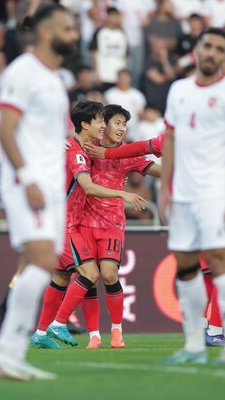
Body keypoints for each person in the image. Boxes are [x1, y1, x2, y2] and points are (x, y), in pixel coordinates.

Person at [0, 3, 79, 381]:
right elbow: (5, 130)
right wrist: (26, 178)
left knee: (43, 263)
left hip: (50, 184)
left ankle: (9, 351)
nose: (73, 35)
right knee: (41, 261)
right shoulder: (22, 71)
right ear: (44, 31)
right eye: (66, 28)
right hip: (27, 182)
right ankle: (8, 349)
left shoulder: (56, 78)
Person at [158, 28, 225, 366]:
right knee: (185, 265)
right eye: (207, 46)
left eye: (220, 49)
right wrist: (164, 188)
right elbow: (170, 140)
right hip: (182, 193)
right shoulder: (178, 90)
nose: (212, 53)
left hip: (217, 192)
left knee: (218, 259)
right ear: (197, 50)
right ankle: (195, 345)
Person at [30, 101, 146, 350]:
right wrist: (122, 195)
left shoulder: (80, 147)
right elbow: (89, 187)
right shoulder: (76, 152)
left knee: (61, 277)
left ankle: (40, 332)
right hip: (67, 225)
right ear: (85, 124)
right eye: (99, 120)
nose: (103, 125)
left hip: (63, 222)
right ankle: (59, 323)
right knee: (91, 274)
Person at [78, 104, 160, 349]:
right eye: (117, 123)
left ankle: (116, 331)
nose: (121, 128)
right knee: (89, 280)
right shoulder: (87, 147)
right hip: (84, 222)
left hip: (112, 224)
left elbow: (160, 171)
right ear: (103, 124)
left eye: (124, 124)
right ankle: (94, 334)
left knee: (109, 274)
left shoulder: (128, 154)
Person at [89, 7, 128, 90]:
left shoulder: (122, 34)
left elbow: (125, 56)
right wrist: (96, 72)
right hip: (103, 75)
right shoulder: (100, 32)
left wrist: (124, 75)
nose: (114, 19)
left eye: (116, 16)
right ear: (107, 17)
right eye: (112, 16)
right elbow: (93, 52)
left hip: (118, 76)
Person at [104, 69, 146, 137]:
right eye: (121, 78)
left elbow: (141, 115)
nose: (123, 80)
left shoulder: (138, 95)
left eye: (125, 78)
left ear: (130, 79)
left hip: (133, 132)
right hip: (112, 131)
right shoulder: (109, 94)